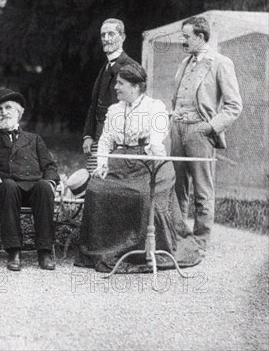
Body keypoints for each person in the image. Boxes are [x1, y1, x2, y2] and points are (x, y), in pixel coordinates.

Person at [76, 64, 203, 272]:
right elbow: (106, 139)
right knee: (96, 189)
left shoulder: (155, 108)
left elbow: (156, 141)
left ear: (135, 87)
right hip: (120, 161)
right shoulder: (114, 110)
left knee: (143, 195)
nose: (116, 87)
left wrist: (155, 156)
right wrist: (102, 164)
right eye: (116, 82)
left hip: (148, 162)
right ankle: (105, 249)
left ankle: (143, 250)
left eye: (120, 83)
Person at [0, 88, 60, 272]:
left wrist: (50, 181)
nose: (3, 112)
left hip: (33, 189)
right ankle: (14, 251)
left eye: (8, 107)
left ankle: (44, 252)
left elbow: (50, 166)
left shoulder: (34, 139)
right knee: (8, 185)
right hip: (5, 191)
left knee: (43, 186)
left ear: (19, 112)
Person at [171, 16, 242, 250]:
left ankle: (201, 241)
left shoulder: (221, 63)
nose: (183, 41)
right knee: (177, 185)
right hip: (178, 130)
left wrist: (211, 127)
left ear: (201, 37)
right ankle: (179, 237)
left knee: (203, 189)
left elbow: (234, 106)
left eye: (186, 37)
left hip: (201, 131)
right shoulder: (184, 63)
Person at [82, 18, 138, 160]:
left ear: (123, 37)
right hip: (99, 136)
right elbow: (94, 104)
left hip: (119, 141)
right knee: (97, 176)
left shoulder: (131, 67)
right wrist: (88, 135)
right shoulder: (104, 68)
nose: (106, 39)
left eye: (111, 34)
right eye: (103, 35)